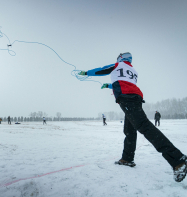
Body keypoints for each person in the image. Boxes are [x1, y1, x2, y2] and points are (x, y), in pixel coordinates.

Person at [78, 52, 187, 182]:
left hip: (127, 99)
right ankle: (127, 158)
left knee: (144, 127)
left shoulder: (118, 64)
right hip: (134, 98)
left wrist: (87, 73)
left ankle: (178, 159)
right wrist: (109, 86)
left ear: (121, 58)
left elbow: (102, 70)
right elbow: (124, 82)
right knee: (129, 131)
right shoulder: (132, 70)